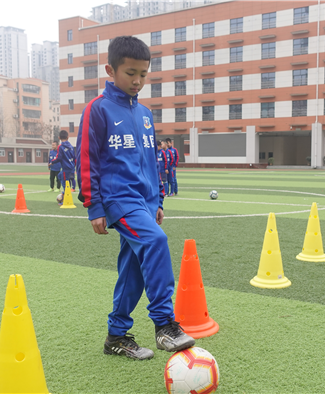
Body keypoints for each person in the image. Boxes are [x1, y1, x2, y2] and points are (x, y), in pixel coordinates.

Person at [75, 35, 195, 361]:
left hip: (143, 201)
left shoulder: (144, 114)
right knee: (156, 242)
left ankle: (116, 336)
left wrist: (157, 201)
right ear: (110, 70)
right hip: (117, 199)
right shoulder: (97, 110)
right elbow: (86, 159)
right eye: (130, 73)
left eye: (143, 74)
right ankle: (165, 324)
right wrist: (94, 206)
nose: (138, 81)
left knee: (134, 269)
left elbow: (151, 161)